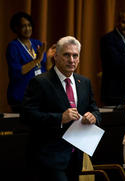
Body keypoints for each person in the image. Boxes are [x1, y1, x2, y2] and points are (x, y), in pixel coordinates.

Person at [22, 36, 101, 181]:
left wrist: (94, 116)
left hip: (75, 156)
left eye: (75, 55)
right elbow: (27, 116)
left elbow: (94, 109)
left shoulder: (84, 82)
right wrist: (60, 118)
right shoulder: (40, 82)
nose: (71, 60)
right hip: (49, 157)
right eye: (66, 55)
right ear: (56, 57)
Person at [6, 11, 55, 113]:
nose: (28, 28)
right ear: (16, 28)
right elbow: (18, 71)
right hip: (21, 96)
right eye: (24, 26)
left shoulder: (36, 43)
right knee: (25, 127)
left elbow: (46, 70)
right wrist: (37, 60)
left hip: (39, 95)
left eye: (29, 25)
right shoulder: (13, 46)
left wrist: (49, 57)